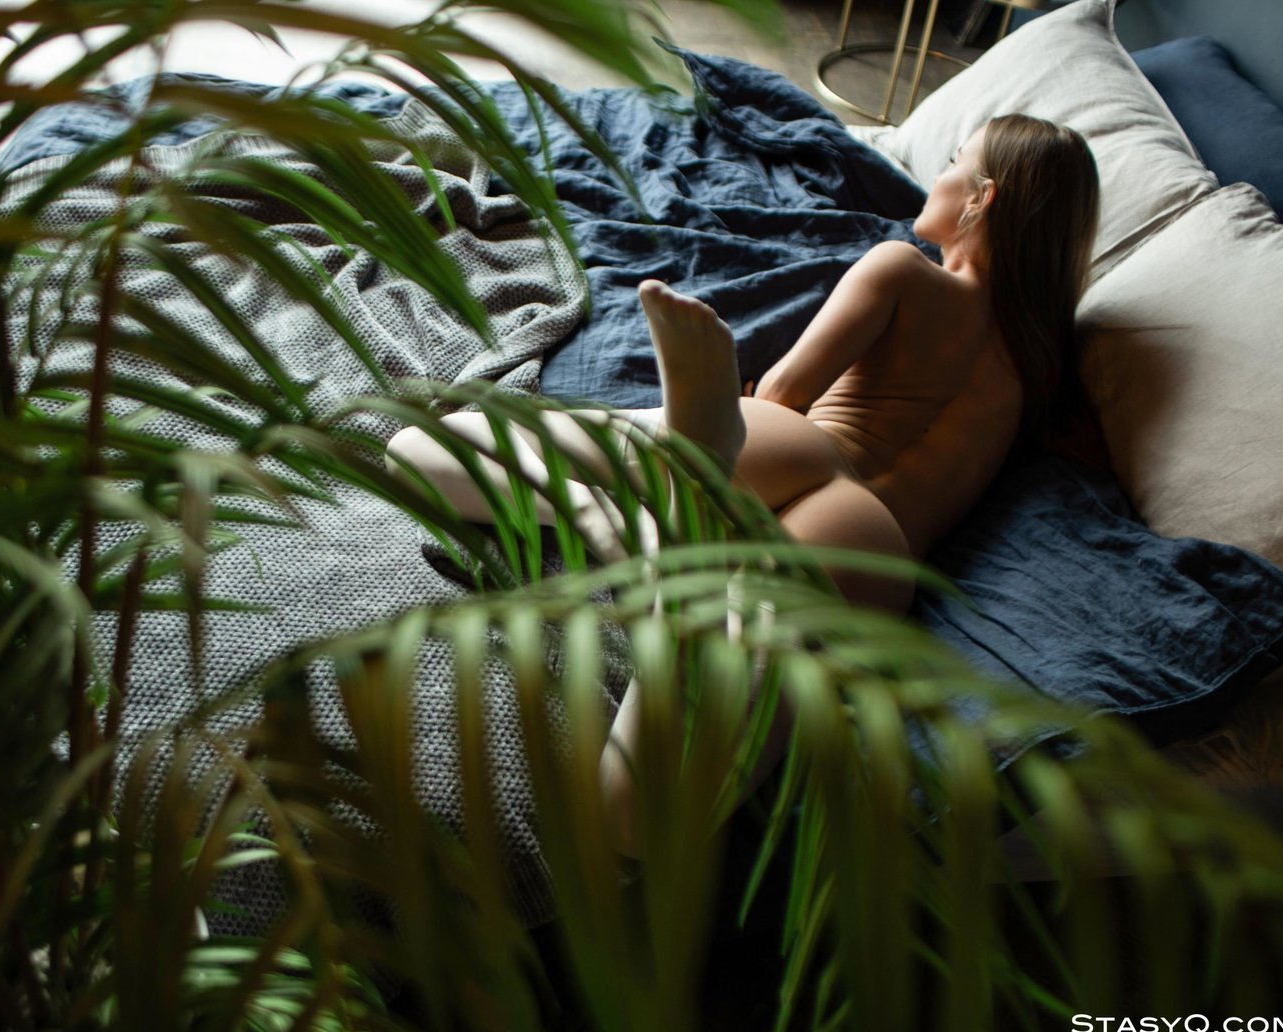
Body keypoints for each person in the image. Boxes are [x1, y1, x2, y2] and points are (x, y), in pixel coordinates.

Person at [385, 114, 1101, 852]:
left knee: (416, 450)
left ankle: (637, 514)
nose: (938, 176)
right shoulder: (1037, 370)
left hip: (793, 445)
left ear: (982, 198)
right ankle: (668, 564)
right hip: (874, 544)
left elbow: (786, 389)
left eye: (953, 160)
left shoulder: (902, 270)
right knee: (636, 819)